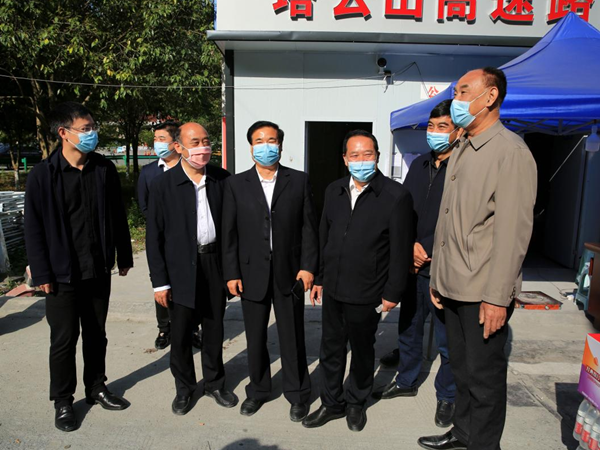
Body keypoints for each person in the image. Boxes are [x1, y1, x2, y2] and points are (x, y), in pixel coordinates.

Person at [418, 68, 537, 450]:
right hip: (452, 284)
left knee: (484, 379)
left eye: (464, 91)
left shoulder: (510, 152)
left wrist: (498, 297)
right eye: (456, 92)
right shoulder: (462, 147)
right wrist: (438, 278)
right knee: (462, 370)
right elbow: (447, 221)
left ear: (490, 97)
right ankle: (463, 434)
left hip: (483, 290)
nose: (456, 99)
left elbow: (513, 233)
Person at [24, 101, 133, 432]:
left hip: (97, 268)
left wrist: (124, 255)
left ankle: (96, 387)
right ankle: (62, 401)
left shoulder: (103, 169)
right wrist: (41, 273)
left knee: (97, 334)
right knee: (64, 340)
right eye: (85, 129)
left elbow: (117, 215)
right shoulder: (43, 175)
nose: (92, 134)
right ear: (64, 133)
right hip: (61, 273)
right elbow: (34, 228)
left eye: (92, 127)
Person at [303, 130, 413, 432]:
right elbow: (325, 235)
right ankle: (331, 403)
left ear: (377, 156)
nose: (361, 160)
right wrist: (320, 277)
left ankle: (355, 402)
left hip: (368, 290)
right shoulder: (334, 190)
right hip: (334, 288)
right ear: (345, 159)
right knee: (330, 349)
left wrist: (393, 292)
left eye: (368, 154)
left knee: (363, 351)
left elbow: (400, 250)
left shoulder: (395, 196)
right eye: (355, 155)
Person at [221, 121, 318, 422]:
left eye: (272, 140)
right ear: (251, 147)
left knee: (292, 336)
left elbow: (309, 229)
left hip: (290, 273)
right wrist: (231, 273)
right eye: (259, 141)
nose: (266, 146)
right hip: (251, 273)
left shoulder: (298, 181)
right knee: (255, 338)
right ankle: (259, 390)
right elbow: (229, 233)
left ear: (281, 145)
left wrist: (308, 268)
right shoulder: (235, 184)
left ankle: (298, 394)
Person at [374, 100, 459, 428]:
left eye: (443, 127)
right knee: (409, 326)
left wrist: (433, 249)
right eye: (431, 127)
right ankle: (407, 380)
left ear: (457, 131)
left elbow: (465, 221)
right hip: (413, 264)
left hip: (445, 267)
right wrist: (409, 245)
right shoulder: (420, 164)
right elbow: (404, 211)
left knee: (447, 339)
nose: (435, 133)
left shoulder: (465, 167)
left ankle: (447, 395)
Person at [146, 122, 237, 415]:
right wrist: (160, 282)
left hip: (214, 264)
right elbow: (154, 238)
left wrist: (232, 271)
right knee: (181, 332)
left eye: (206, 141)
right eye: (194, 142)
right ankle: (184, 388)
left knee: (214, 328)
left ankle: (215, 383)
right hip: (179, 268)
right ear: (179, 147)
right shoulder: (163, 185)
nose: (202, 148)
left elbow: (233, 230)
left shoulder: (222, 179)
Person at [138, 121, 203, 351]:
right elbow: (145, 205)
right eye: (155, 139)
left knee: (193, 288)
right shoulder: (149, 172)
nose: (157, 143)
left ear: (176, 143)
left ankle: (192, 328)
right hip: (165, 240)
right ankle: (164, 328)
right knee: (162, 286)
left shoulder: (193, 169)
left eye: (161, 139)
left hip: (192, 240)